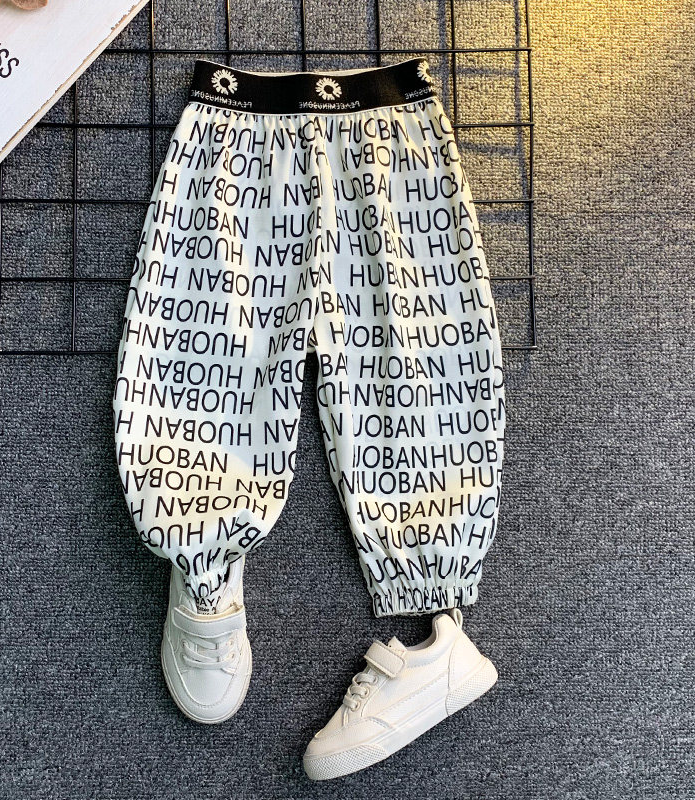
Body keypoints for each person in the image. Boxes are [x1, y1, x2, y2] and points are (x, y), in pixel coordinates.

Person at [112, 56, 505, 780]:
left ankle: (436, 638)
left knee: (414, 366)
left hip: (392, 153)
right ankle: (205, 559)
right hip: (230, 151)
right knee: (203, 362)